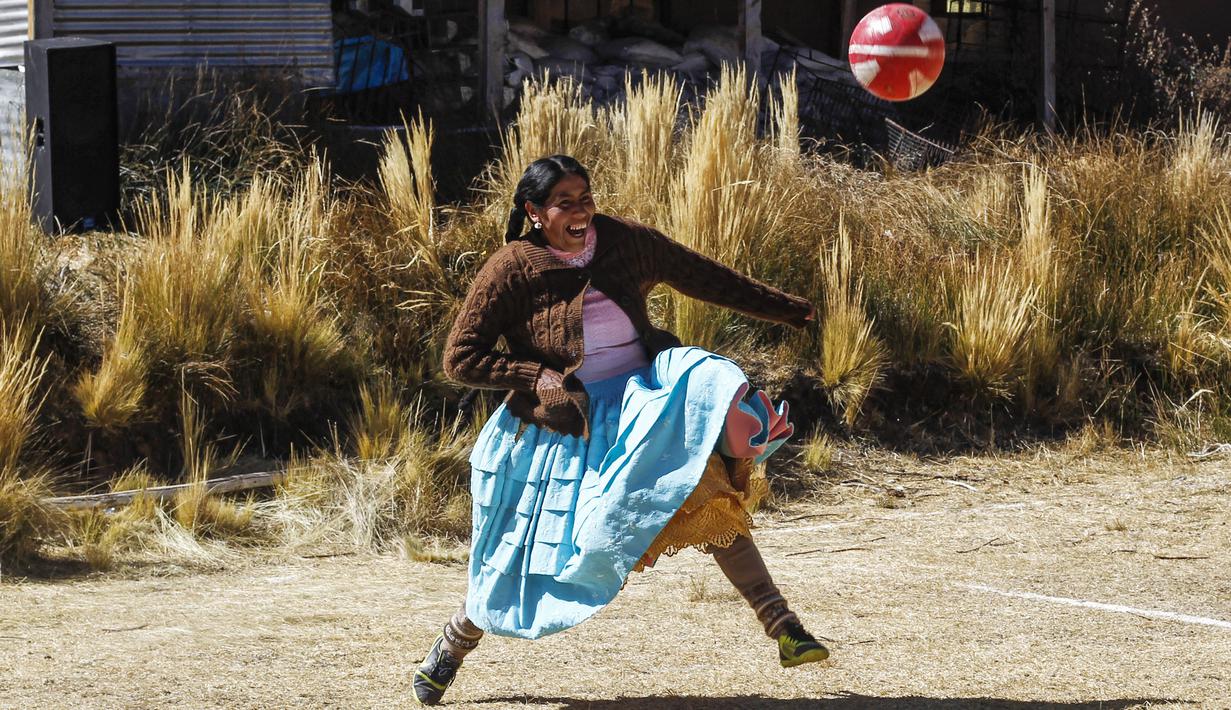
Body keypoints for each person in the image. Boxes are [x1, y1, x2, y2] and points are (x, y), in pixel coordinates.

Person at [413, 155, 828, 706]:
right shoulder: (512, 267)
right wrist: (532, 374)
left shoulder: (624, 241)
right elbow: (460, 357)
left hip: (641, 411)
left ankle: (786, 628)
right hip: (564, 428)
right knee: (523, 551)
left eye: (585, 197)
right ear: (535, 212)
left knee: (709, 499)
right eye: (565, 202)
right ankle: (452, 644)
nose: (581, 210)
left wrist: (790, 310)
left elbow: (703, 276)